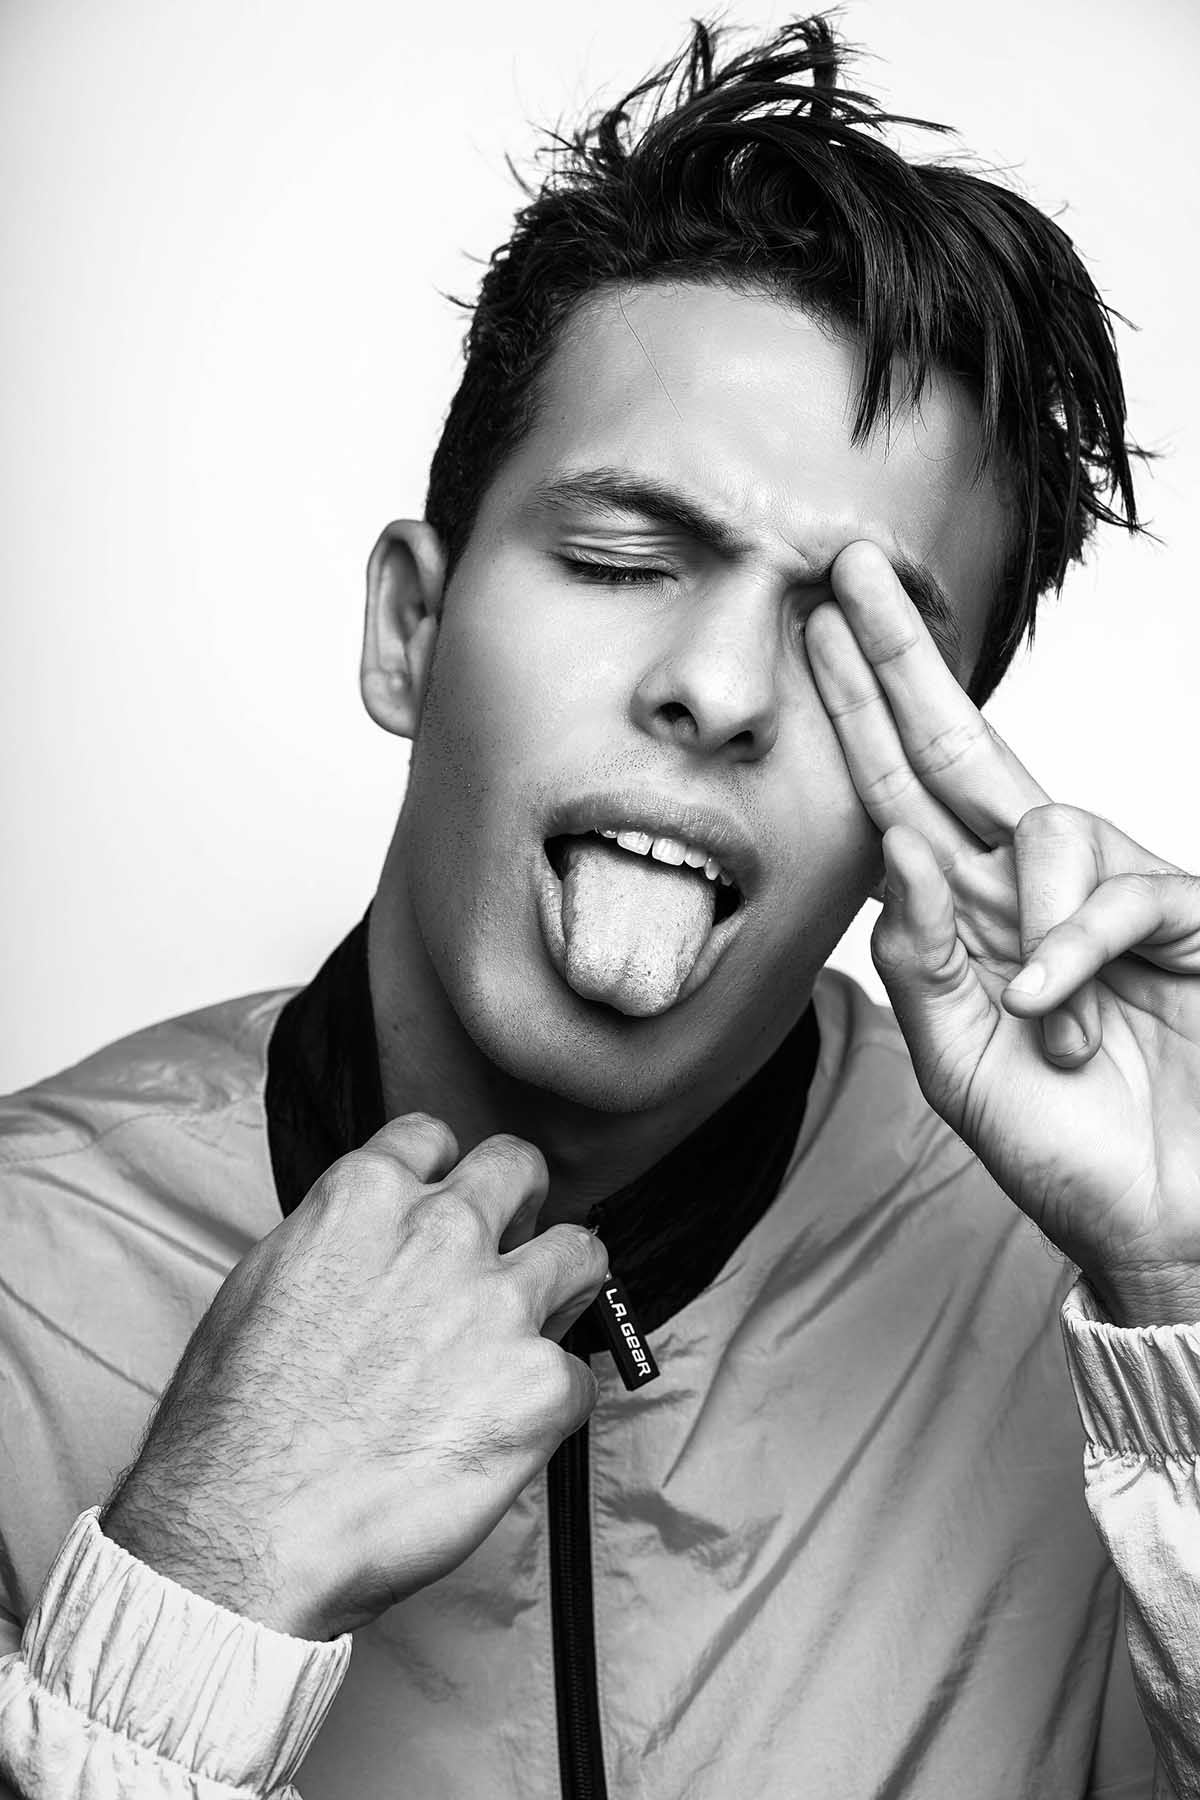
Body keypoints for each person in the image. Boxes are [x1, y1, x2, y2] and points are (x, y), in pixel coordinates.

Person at [1, 13, 1198, 1797]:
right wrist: (200, 1575)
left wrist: (1185, 1288)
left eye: (850, 644)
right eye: (622, 559)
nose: (718, 690)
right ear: (411, 630)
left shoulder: (1081, 1308)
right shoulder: (19, 1274)